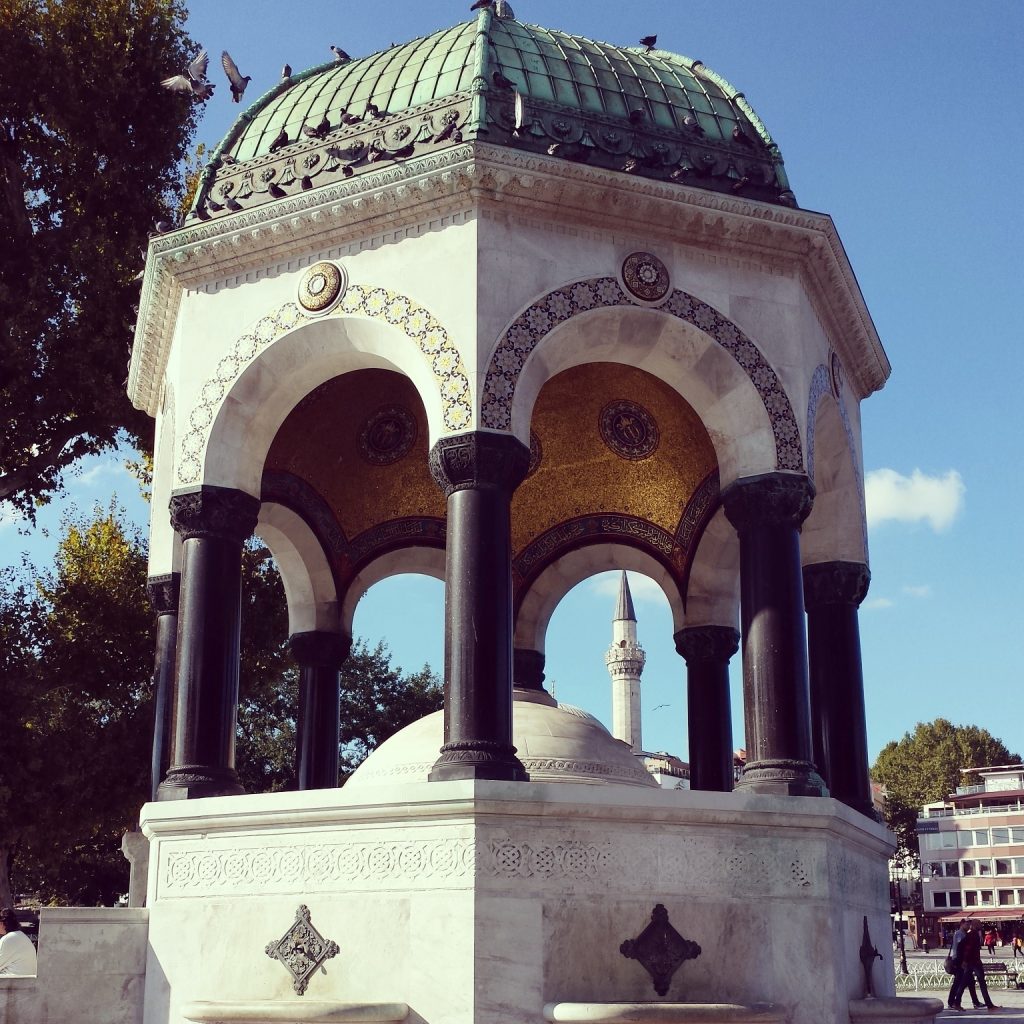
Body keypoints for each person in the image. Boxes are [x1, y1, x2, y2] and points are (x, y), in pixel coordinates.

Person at [951, 920, 998, 1012]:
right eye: (979, 924)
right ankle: (989, 1005)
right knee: (980, 982)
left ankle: (957, 1003)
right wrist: (964, 961)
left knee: (965, 983)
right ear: (975, 925)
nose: (981, 925)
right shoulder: (973, 934)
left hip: (972, 962)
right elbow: (968, 949)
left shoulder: (972, 934)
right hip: (974, 962)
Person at [948, 920, 982, 1011]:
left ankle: (975, 1002)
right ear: (961, 924)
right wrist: (963, 961)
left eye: (969, 924)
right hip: (959, 961)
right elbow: (961, 948)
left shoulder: (965, 933)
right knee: (958, 982)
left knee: (970, 982)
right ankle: (952, 1002)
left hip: (964, 961)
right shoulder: (959, 934)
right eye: (966, 924)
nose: (968, 926)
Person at [0, 907, 37, 977]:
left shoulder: (8, 939)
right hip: (26, 982)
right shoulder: (22, 936)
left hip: (13, 984)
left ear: (2, 923)